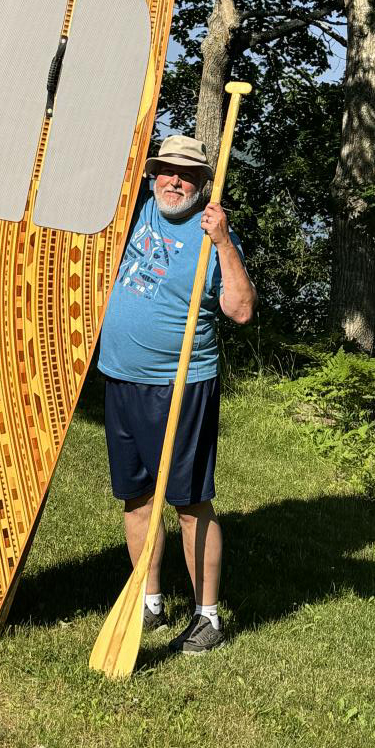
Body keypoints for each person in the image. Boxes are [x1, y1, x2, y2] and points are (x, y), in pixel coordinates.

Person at [97, 133, 257, 654]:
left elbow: (240, 309)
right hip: (120, 376)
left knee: (190, 503)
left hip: (180, 385)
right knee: (137, 496)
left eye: (186, 174)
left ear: (203, 183)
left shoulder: (211, 236)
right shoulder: (135, 211)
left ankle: (207, 614)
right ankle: (150, 600)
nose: (174, 180)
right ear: (153, 174)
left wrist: (224, 241)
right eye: (166, 170)